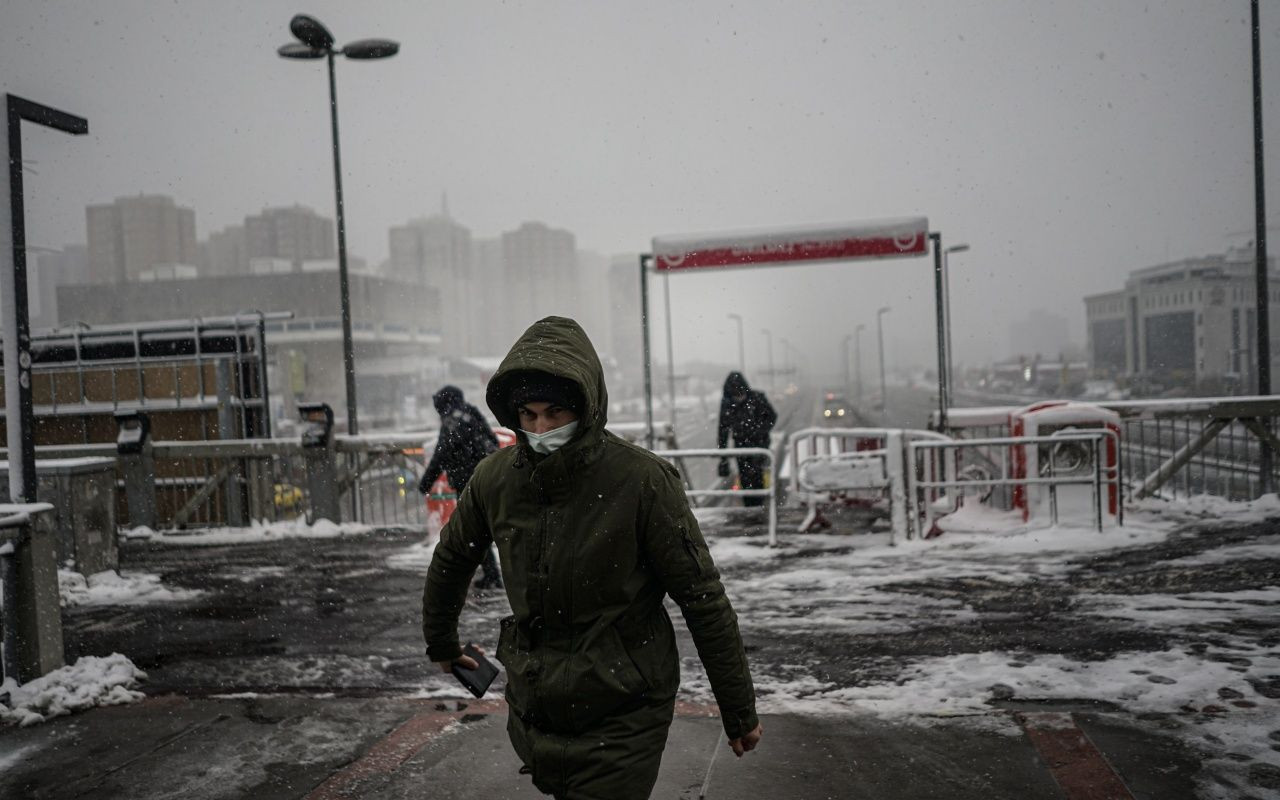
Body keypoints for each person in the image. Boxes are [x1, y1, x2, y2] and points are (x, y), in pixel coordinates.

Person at [422, 317, 761, 800]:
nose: (541, 429)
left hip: (626, 704)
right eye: (528, 415)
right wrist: (441, 641)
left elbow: (701, 597)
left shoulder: (642, 481)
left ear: (586, 406)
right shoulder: (495, 479)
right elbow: (453, 558)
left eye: (555, 413)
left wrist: (738, 709)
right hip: (536, 702)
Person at [418, 384, 503, 590]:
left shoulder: (451, 420)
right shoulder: (472, 413)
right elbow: (492, 441)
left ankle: (491, 574)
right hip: (487, 477)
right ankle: (494, 573)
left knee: (474, 529)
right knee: (485, 527)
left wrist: (426, 482)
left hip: (467, 482)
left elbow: (441, 454)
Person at [717, 371, 777, 507]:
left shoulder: (757, 398)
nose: (737, 397)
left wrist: (759, 431)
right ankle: (752, 507)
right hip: (741, 446)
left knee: (757, 477)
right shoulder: (728, 404)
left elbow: (772, 417)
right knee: (746, 480)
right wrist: (723, 458)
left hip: (759, 444)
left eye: (739, 393)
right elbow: (722, 431)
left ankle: (758, 506)